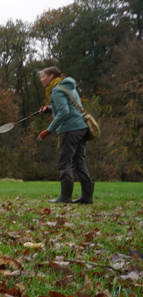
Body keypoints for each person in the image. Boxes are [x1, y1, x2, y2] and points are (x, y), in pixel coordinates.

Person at [37, 67, 94, 204]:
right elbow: (69, 107)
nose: (41, 79)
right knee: (79, 162)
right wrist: (49, 109)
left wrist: (48, 130)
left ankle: (65, 196)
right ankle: (87, 196)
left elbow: (64, 112)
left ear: (51, 76)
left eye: (43, 76)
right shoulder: (66, 86)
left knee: (64, 161)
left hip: (70, 129)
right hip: (82, 128)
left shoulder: (56, 90)